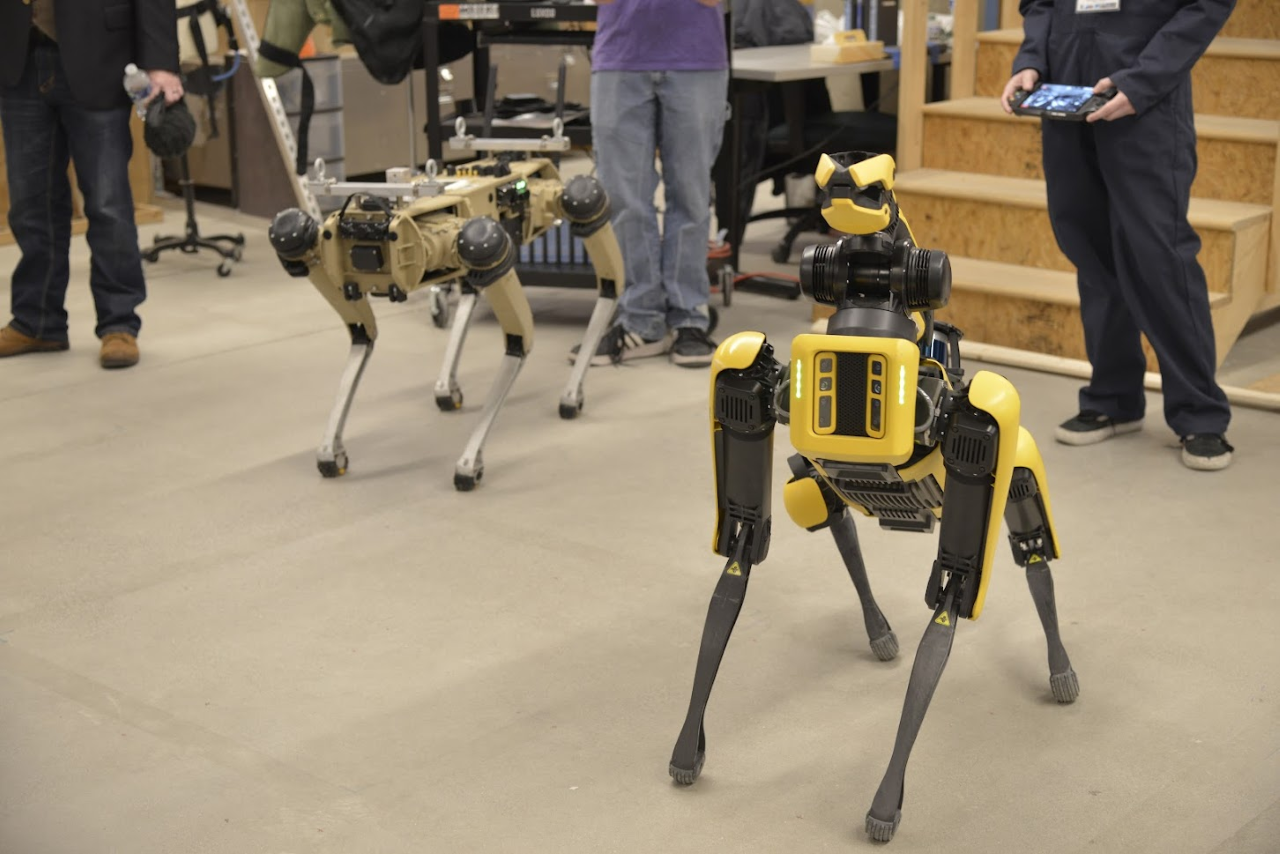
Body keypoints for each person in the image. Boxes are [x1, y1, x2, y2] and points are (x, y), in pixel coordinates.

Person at [1000, 0, 1237, 471]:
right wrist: (1031, 60)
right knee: (1090, 250)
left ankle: (1200, 414)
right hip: (1064, 93)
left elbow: (1207, 4)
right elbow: (1041, 4)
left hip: (1143, 98)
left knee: (1159, 255)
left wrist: (1144, 77)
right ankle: (1113, 398)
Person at [0, 0, 183, 369]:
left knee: (107, 203)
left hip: (100, 54)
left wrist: (161, 61)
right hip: (17, 56)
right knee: (30, 204)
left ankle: (118, 322)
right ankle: (37, 321)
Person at [581, 0, 728, 368]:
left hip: (696, 57)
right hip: (621, 55)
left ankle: (689, 317)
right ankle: (640, 319)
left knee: (691, 195)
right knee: (622, 199)